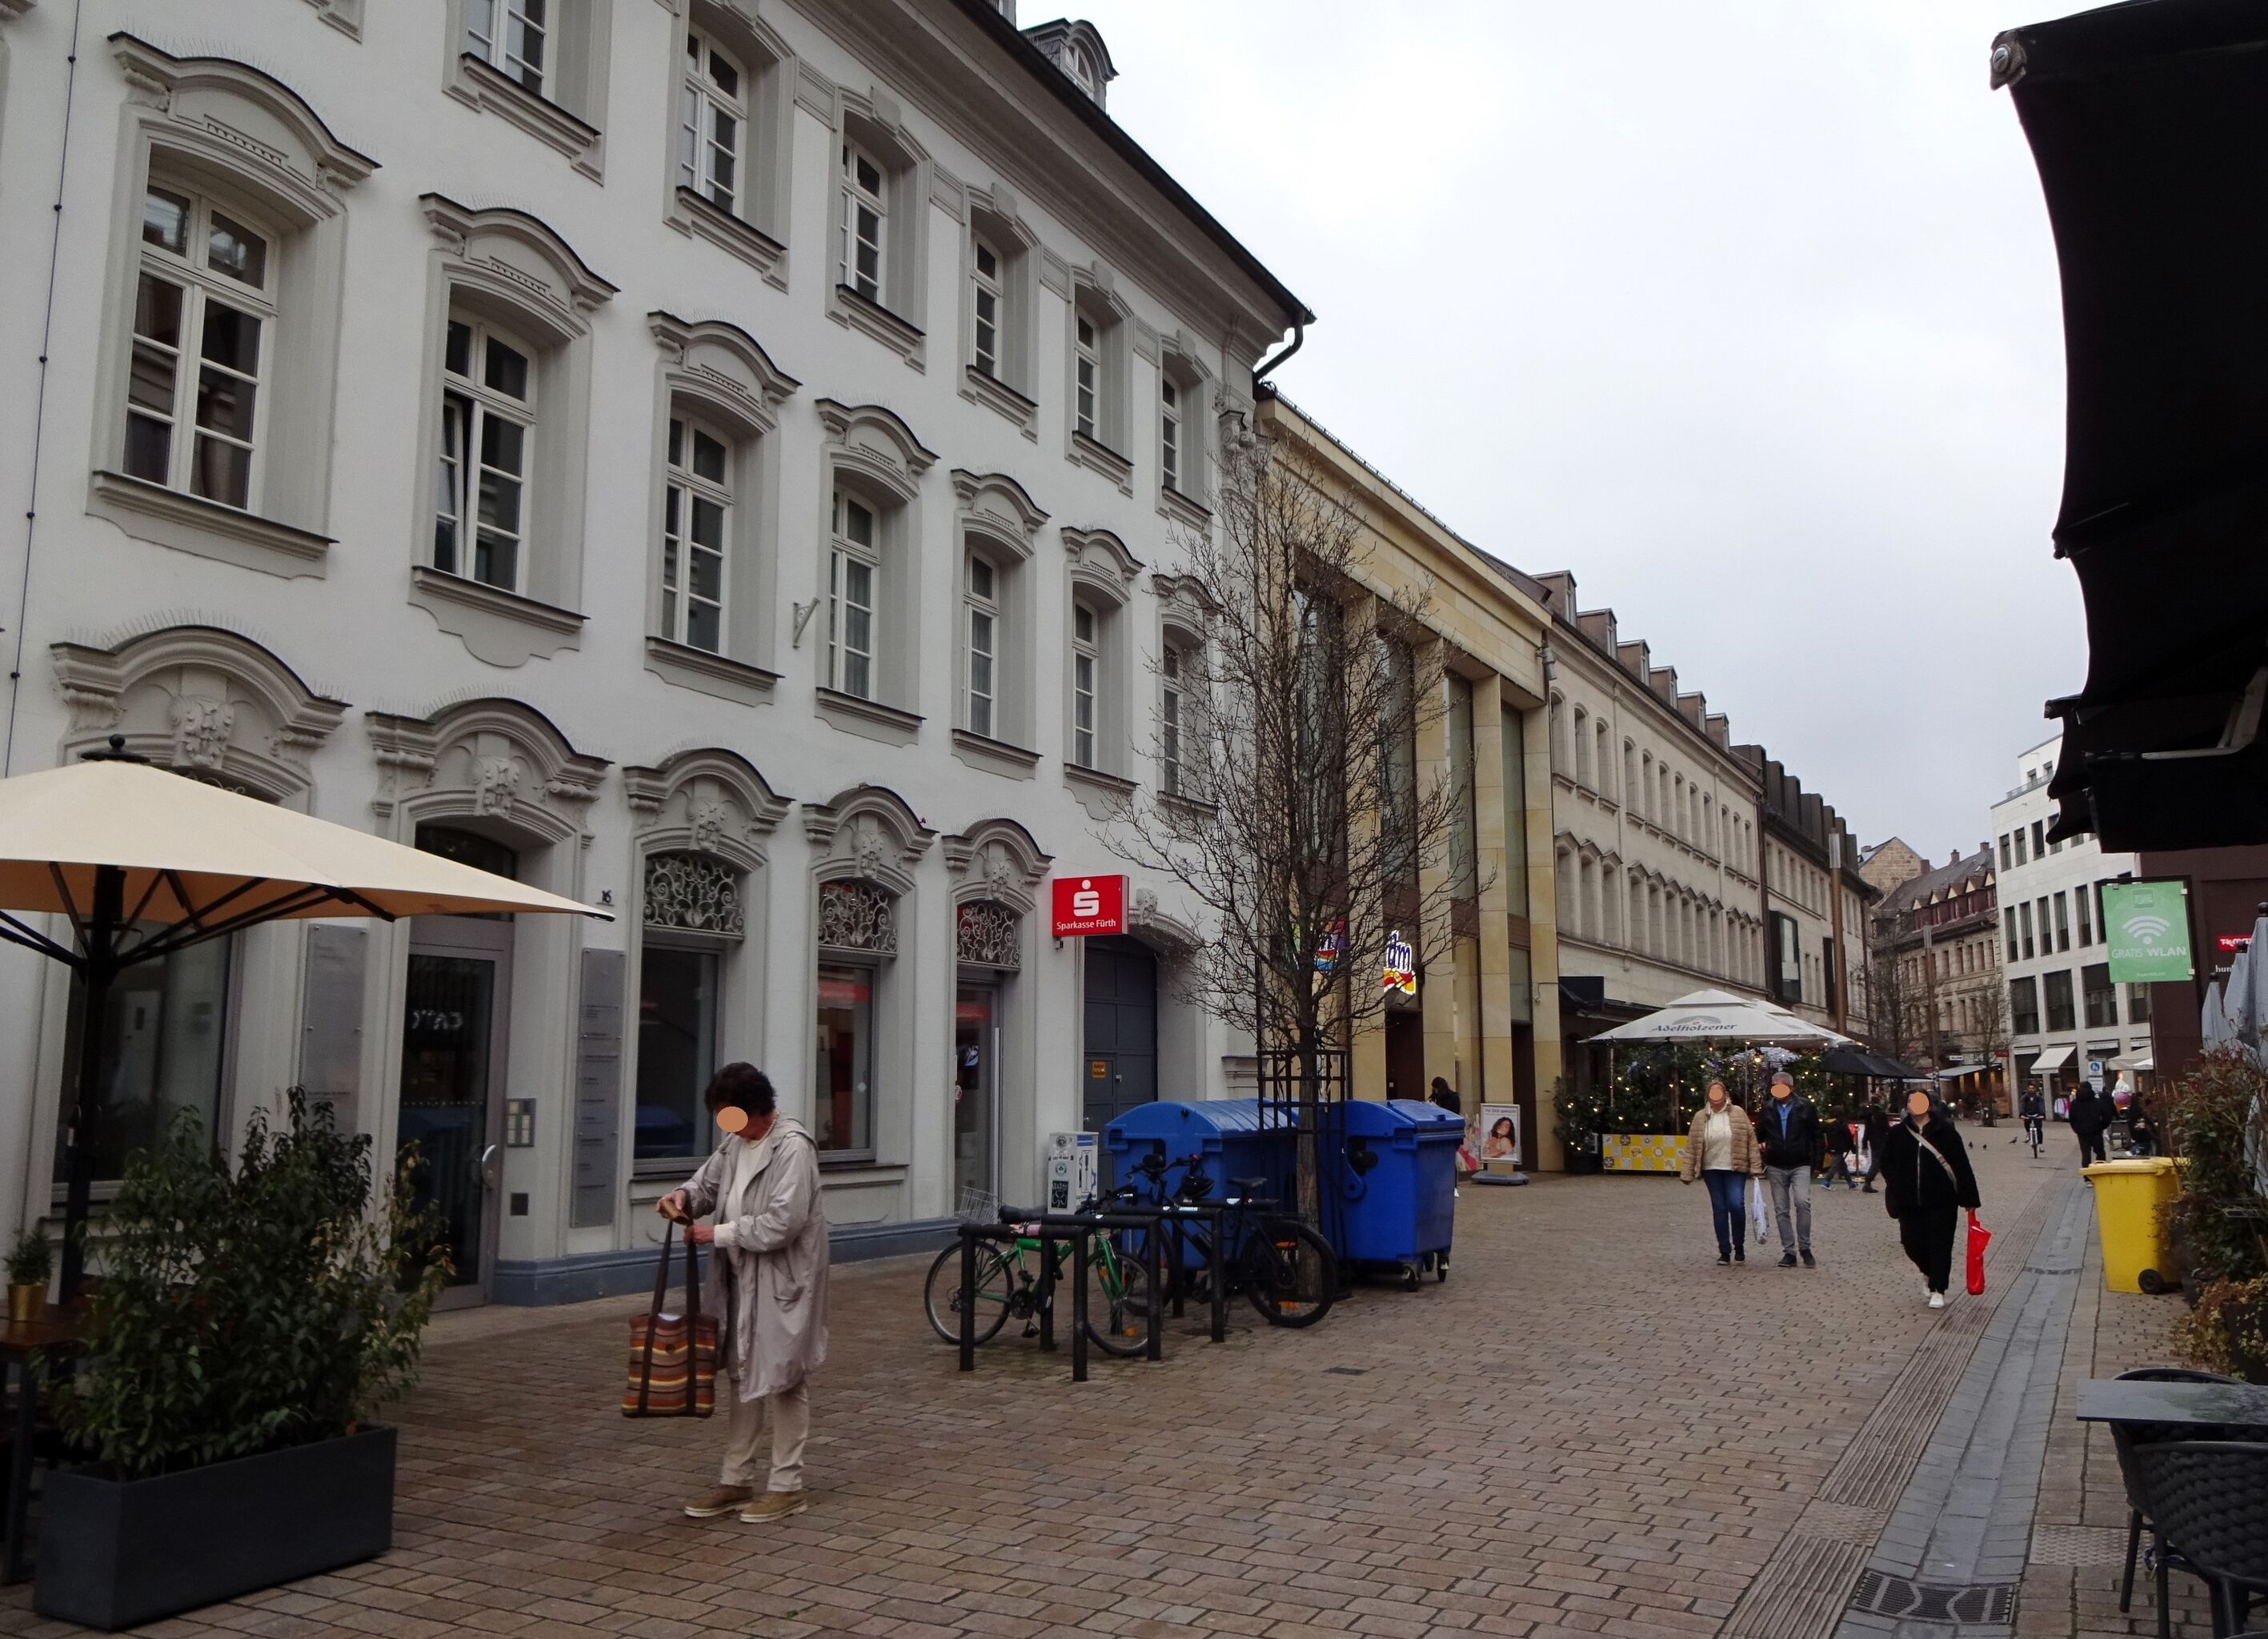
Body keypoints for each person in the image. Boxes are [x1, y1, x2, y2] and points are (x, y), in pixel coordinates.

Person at [660, 1064, 831, 1525]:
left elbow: (784, 1222)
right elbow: (708, 1183)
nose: (727, 1125)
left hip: (782, 1281)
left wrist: (717, 1233)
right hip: (739, 1279)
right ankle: (736, 1480)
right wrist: (682, 1197)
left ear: (757, 1109)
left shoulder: (792, 1147)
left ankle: (787, 1486)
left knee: (786, 1377)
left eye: (731, 1115)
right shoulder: (736, 1141)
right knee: (741, 1374)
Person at [1880, 1087, 1981, 1308]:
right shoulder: (1898, 1133)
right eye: (1911, 1101)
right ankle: (1928, 1272)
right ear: (1907, 1106)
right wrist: (1896, 1183)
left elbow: (1961, 1164)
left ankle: (1938, 1288)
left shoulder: (1946, 1131)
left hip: (1942, 1199)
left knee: (1940, 1244)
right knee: (1911, 1242)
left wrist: (1970, 1198)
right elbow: (1886, 1162)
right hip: (1909, 1200)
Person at [1678, 1080, 1763, 1264]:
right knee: (1719, 1209)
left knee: (1736, 1205)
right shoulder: (1700, 1117)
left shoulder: (1738, 1113)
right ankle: (1724, 1251)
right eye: (1712, 1093)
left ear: (1725, 1095)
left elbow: (1751, 1140)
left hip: (1736, 1167)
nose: (1715, 1097)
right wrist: (1687, 1172)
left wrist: (1756, 1166)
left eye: (1719, 1093)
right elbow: (1692, 1145)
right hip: (1711, 1169)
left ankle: (1739, 1244)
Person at [1756, 1072, 1821, 1267]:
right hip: (1776, 1164)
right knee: (1781, 1209)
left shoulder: (1805, 1107)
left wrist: (1817, 1163)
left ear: (1791, 1088)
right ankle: (1789, 1251)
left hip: (1800, 1162)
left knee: (1802, 1203)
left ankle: (1805, 1248)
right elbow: (1759, 1134)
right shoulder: (1767, 1109)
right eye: (1774, 1086)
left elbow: (1817, 1136)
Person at [2068, 1080, 2115, 1168]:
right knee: (2100, 1153)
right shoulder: (2098, 1102)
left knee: (2085, 1154)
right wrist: (2102, 1126)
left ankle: (2087, 1174)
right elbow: (2107, 1116)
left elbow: (2072, 1119)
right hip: (2096, 1131)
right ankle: (2100, 1171)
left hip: (2082, 1132)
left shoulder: (2075, 1104)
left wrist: (2077, 1129)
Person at [1861, 1101, 1890, 1195]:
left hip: (1873, 1142)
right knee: (1879, 1162)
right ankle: (1868, 1181)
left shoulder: (1869, 1117)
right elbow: (1886, 1128)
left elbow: (1867, 1131)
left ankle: (1888, 1181)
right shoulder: (1882, 1115)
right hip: (1882, 1140)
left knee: (1878, 1161)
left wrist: (1865, 1143)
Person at [2017, 1084, 2046, 1156]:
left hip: (2037, 1115)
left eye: (2032, 1088)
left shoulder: (2039, 1097)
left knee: (2039, 1130)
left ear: (2035, 1089)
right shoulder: (2024, 1097)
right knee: (2027, 1124)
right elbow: (2022, 1105)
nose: (2031, 1090)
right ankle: (2028, 1133)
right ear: (2027, 1089)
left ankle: (2040, 1145)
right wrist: (2022, 1114)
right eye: (2029, 1088)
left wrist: (2042, 1114)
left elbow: (2041, 1106)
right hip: (2028, 1115)